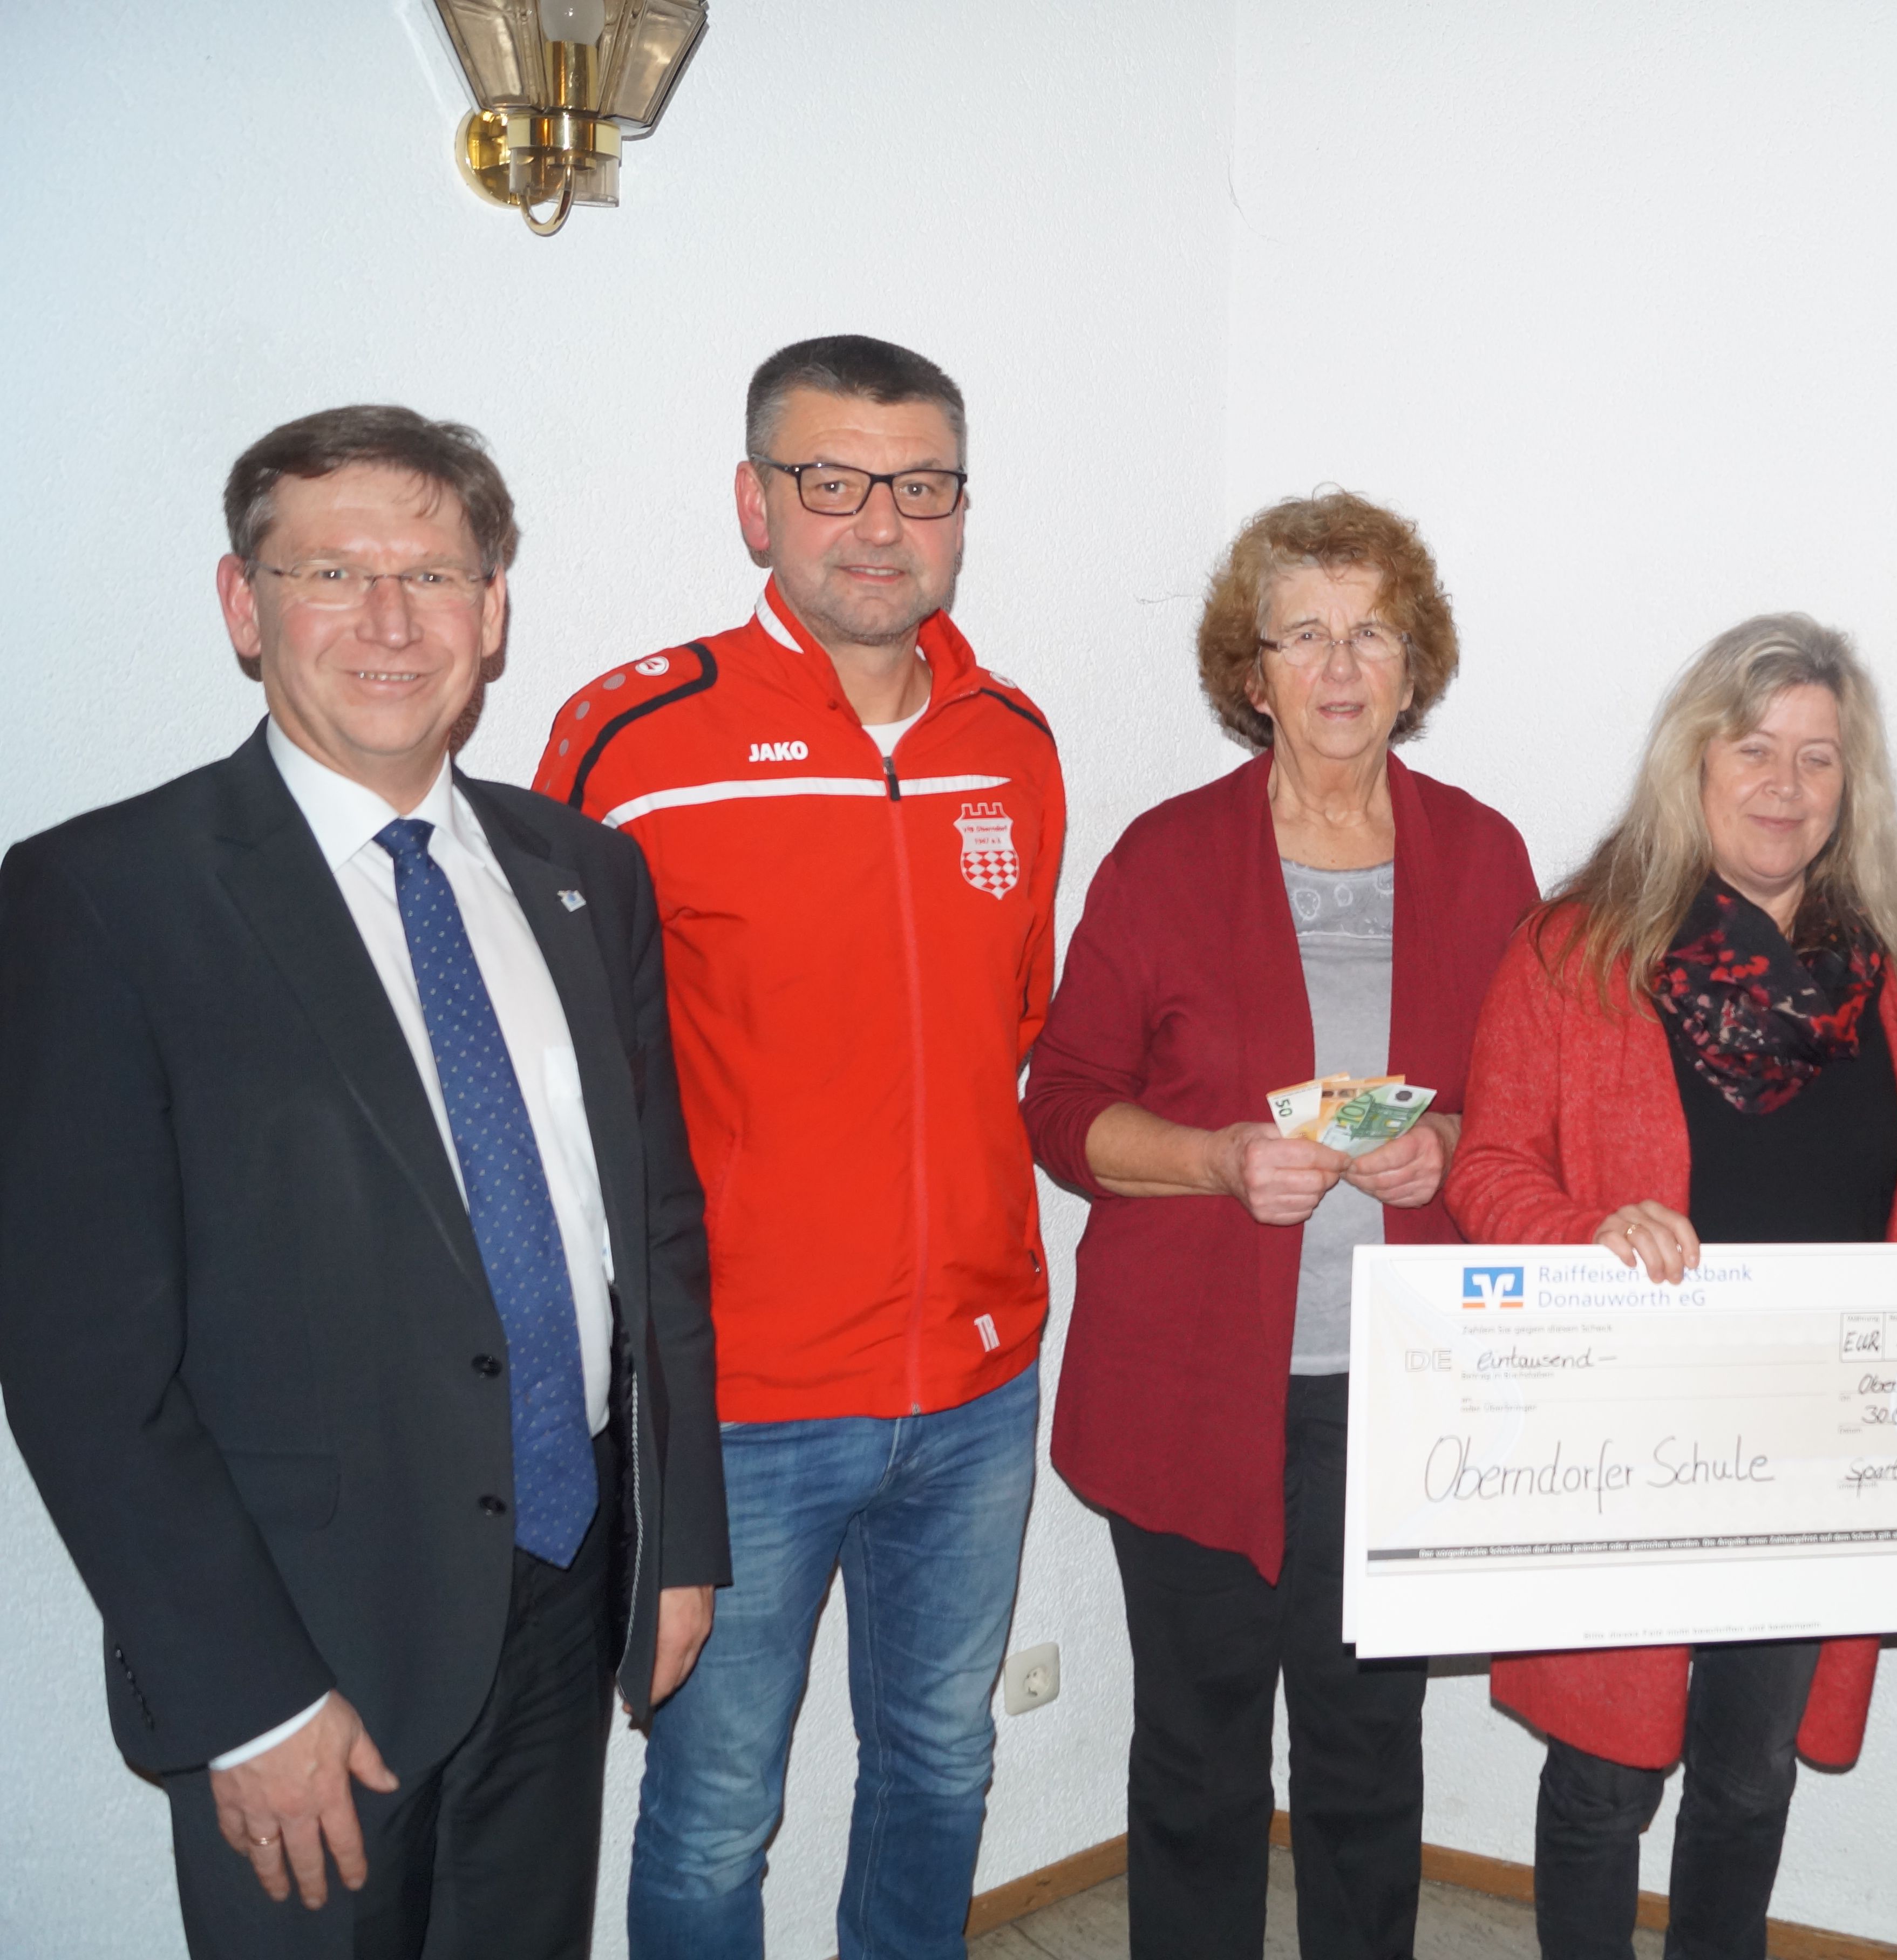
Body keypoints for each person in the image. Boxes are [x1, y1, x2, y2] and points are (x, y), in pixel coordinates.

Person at [0, 405, 726, 1958]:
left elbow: (654, 1237)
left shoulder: (584, 874)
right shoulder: (104, 897)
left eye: (437, 575)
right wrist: (245, 1697)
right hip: (308, 1645)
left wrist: (677, 1550)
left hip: (567, 1588)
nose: (393, 622)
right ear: (242, 604)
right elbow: (77, 1367)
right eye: (333, 573)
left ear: (494, 609)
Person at [534, 336, 1066, 1960]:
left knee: (943, 1757)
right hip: (741, 1401)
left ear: (962, 509)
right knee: (713, 1808)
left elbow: (1010, 1026)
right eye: (833, 482)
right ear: (755, 503)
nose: (881, 524)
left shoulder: (1014, 741)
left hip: (977, 1380)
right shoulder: (636, 739)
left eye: (922, 485)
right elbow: (567, 1079)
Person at [1448, 614, 1897, 1960]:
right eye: (1754, 748)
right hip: (1622, 1435)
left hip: (1811, 1448)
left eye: (1817, 756)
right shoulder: (1576, 951)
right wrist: (1588, 1233)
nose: (1784, 783)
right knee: (1605, 1778)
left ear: (1850, 785)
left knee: (1750, 1771)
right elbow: (1486, 1166)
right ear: (1695, 763)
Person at [1023, 489, 1534, 1959]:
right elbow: (1062, 1107)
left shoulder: (1483, 856)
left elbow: (1531, 1103)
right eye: (1302, 634)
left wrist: (1451, 1146)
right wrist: (1213, 1160)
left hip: (1404, 1391)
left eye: (1371, 631)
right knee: (1198, 1763)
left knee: (1368, 1757)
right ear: (1251, 675)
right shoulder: (1166, 857)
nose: (1339, 665)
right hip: (1190, 1385)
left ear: (1414, 662)